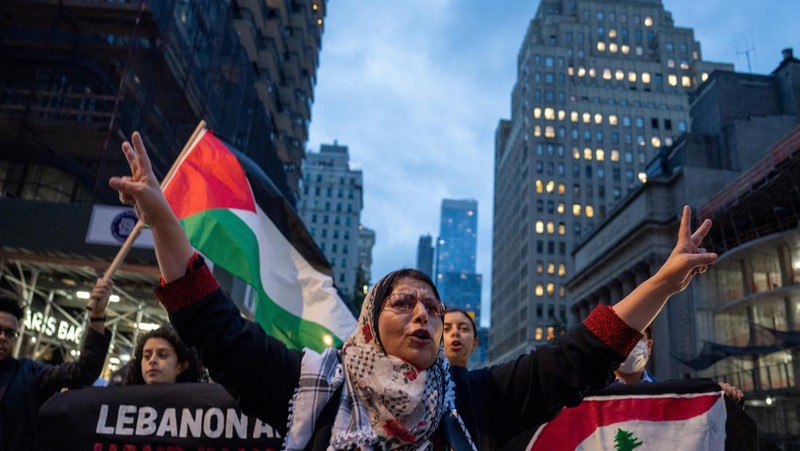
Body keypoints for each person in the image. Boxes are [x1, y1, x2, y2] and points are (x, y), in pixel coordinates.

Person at [110, 131, 718, 449]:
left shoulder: (474, 400)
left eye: (433, 305)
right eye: (405, 304)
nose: (425, 315)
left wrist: (664, 282)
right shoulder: (312, 391)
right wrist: (165, 221)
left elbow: (578, 358)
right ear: (372, 324)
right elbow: (215, 330)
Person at [0, 278, 112, 450]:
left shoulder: (29, 374)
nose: (3, 337)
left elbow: (82, 372)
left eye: (10, 333)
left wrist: (97, 317)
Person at [615, 325, 745, 402]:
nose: (629, 345)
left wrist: (721, 398)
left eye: (636, 338)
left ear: (648, 346)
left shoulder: (670, 396)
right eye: (623, 338)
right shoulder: (595, 392)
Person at [124, 325, 207, 385]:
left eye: (162, 355)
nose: (152, 360)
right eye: (147, 356)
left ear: (181, 366)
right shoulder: (124, 401)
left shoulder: (196, 405)